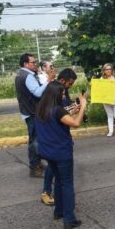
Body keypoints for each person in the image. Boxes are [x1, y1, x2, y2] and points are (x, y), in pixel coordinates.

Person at [35, 81, 86, 229]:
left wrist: (72, 110)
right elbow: (75, 123)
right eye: (62, 93)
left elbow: (59, 117)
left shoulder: (41, 107)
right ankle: (69, 219)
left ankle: (59, 211)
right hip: (61, 152)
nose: (64, 95)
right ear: (56, 94)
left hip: (47, 151)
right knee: (67, 184)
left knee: (58, 181)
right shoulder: (58, 110)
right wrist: (82, 106)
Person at [41, 68, 78, 206]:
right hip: (54, 137)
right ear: (62, 81)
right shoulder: (53, 90)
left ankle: (59, 205)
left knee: (58, 172)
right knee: (54, 166)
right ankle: (46, 191)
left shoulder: (62, 91)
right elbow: (55, 111)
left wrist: (73, 108)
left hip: (62, 133)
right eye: (69, 84)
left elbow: (63, 110)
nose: (69, 88)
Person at [15, 53, 54, 178]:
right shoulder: (28, 76)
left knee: (34, 139)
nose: (35, 64)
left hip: (28, 110)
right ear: (26, 64)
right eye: (33, 62)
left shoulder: (20, 74)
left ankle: (37, 163)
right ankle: (35, 167)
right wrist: (48, 81)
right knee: (35, 141)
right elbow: (37, 93)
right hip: (32, 112)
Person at [101, 63, 115, 137]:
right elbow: (99, 90)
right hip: (106, 101)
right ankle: (110, 131)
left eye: (109, 69)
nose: (108, 71)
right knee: (109, 116)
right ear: (104, 70)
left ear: (112, 70)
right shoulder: (101, 79)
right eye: (106, 69)